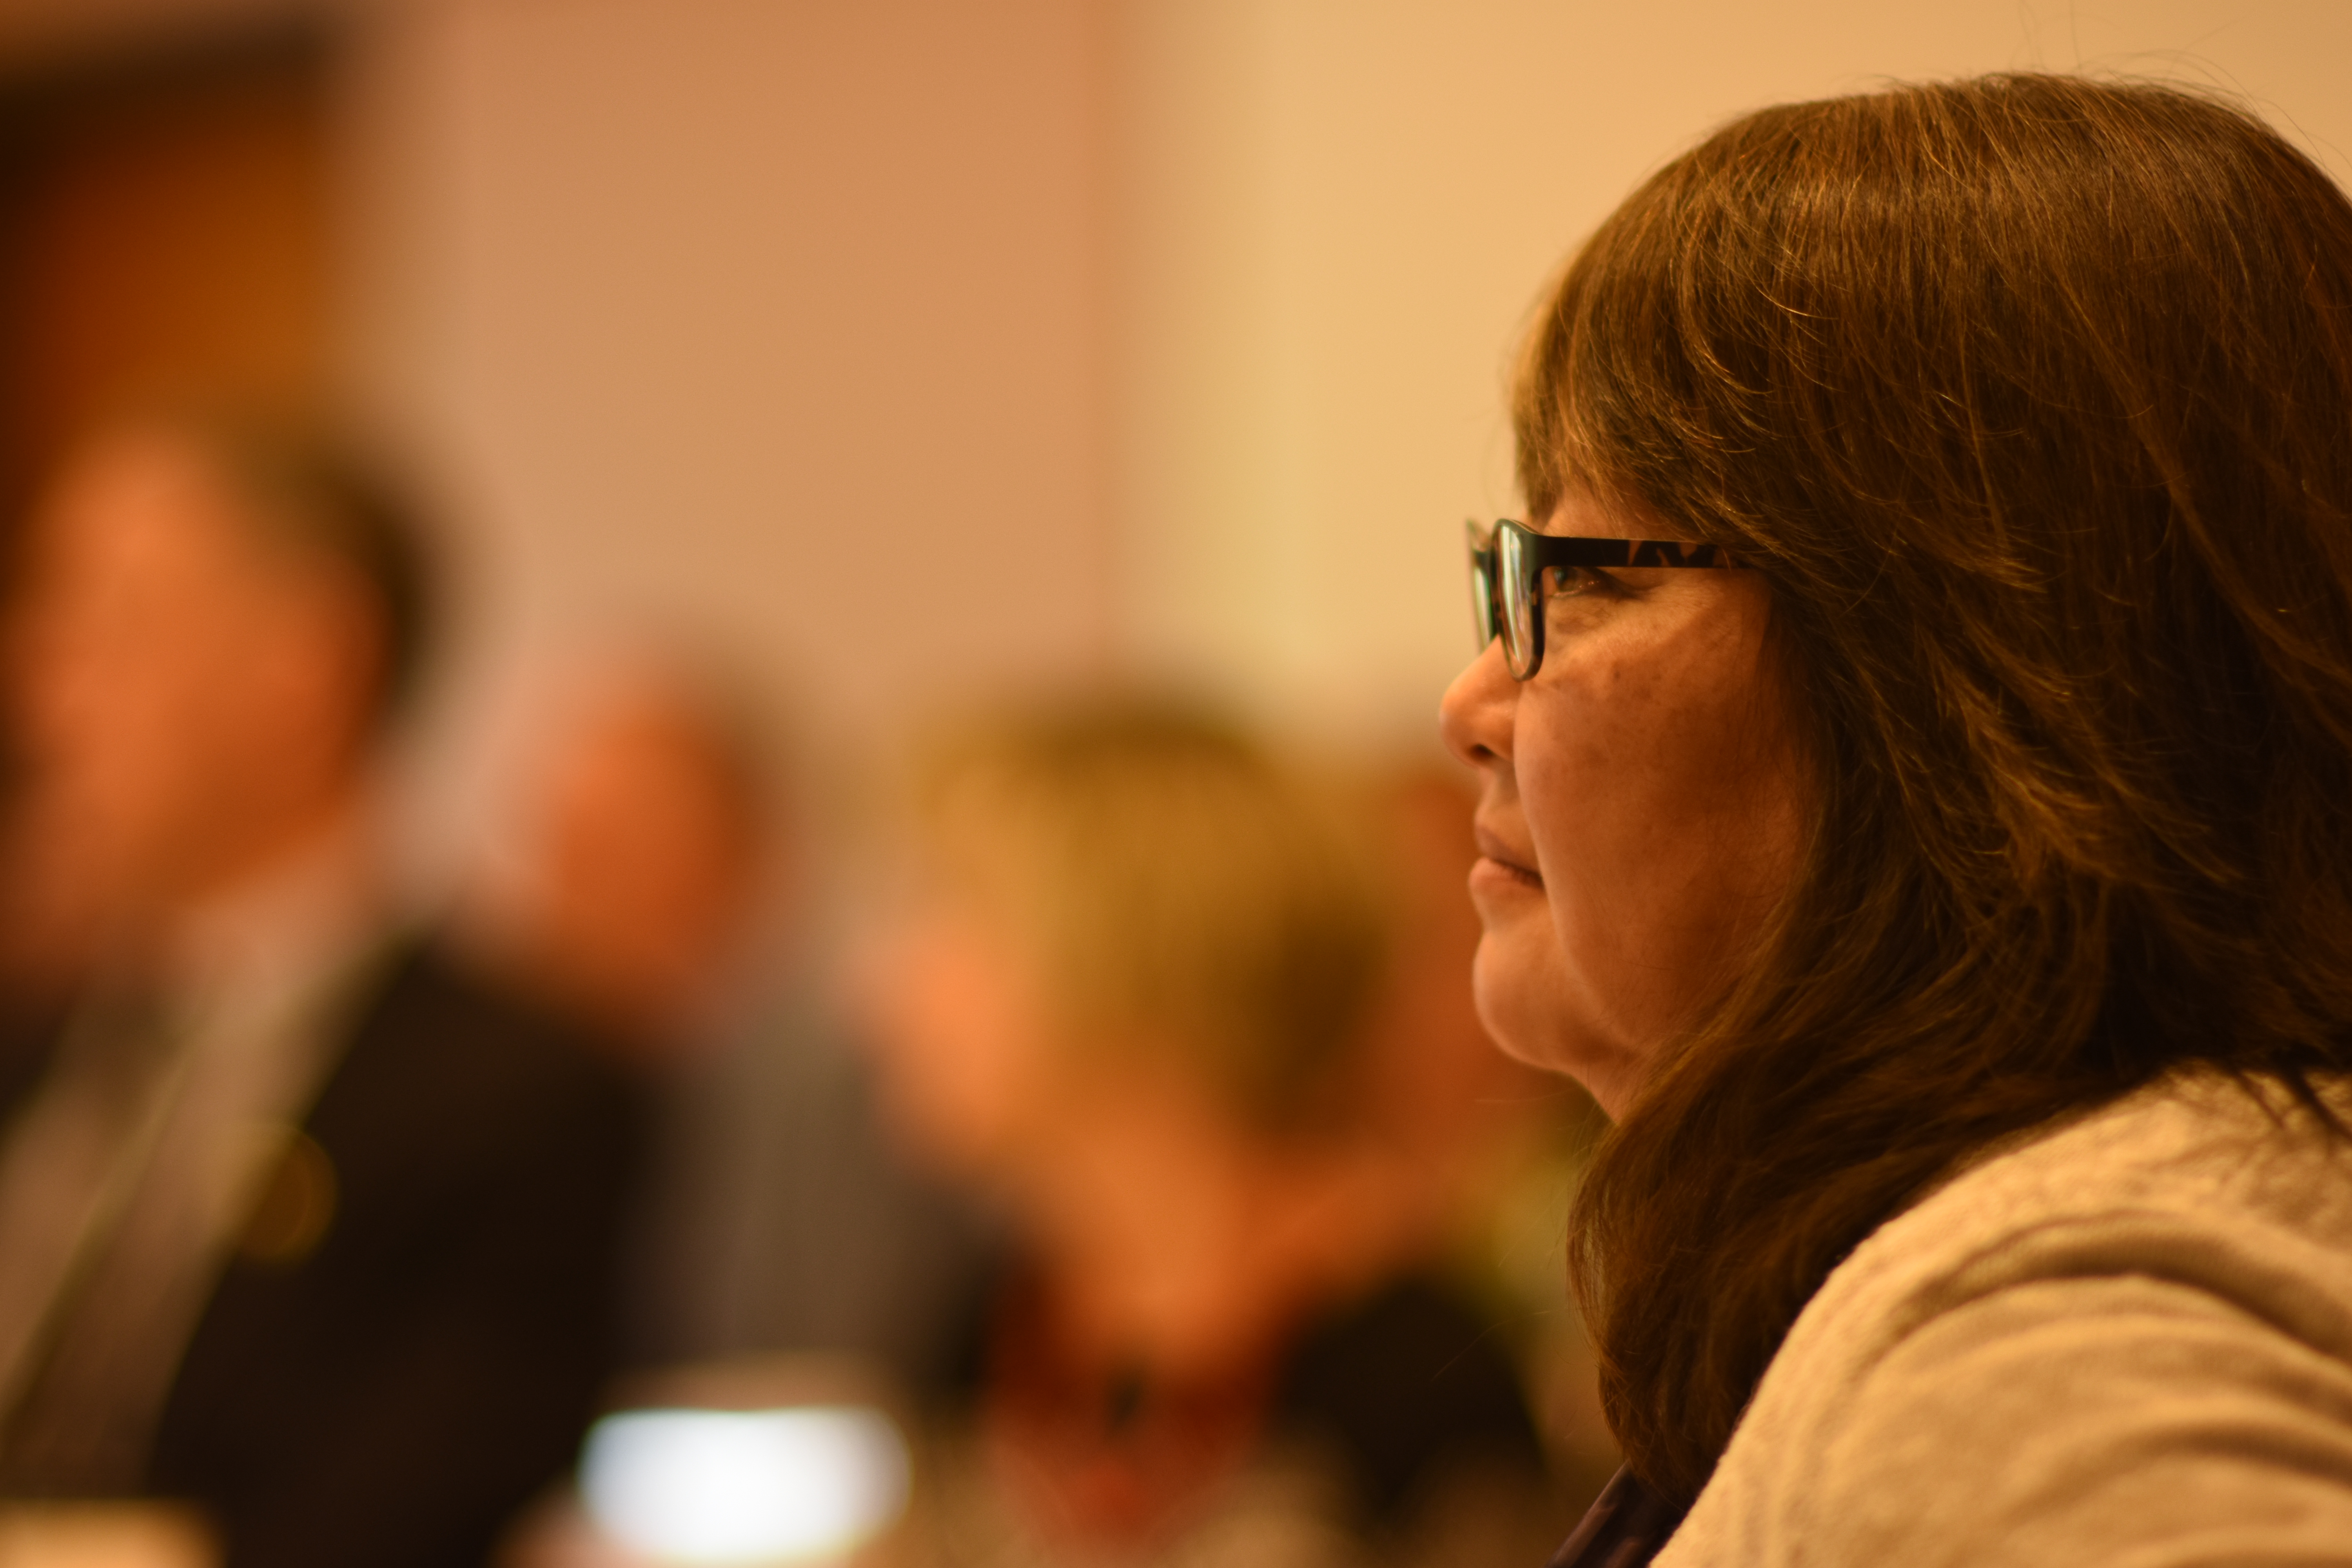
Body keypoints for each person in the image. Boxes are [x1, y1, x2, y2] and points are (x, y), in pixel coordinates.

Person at [1439, 73, 2352, 1566]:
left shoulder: (2059, 1316)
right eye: (1511, 572)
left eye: (1586, 573)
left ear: (1977, 668)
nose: (1472, 700)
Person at [0, 411, 645, 1568]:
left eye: (112, 620)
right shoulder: (45, 1049)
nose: (42, 686)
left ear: (307, 668)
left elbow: (365, 1535)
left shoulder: (520, 1102)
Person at [858, 695, 1557, 1567]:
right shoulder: (978, 1331)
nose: (883, 983)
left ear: (1139, 950)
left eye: (956, 911)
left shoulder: (1418, 1376)